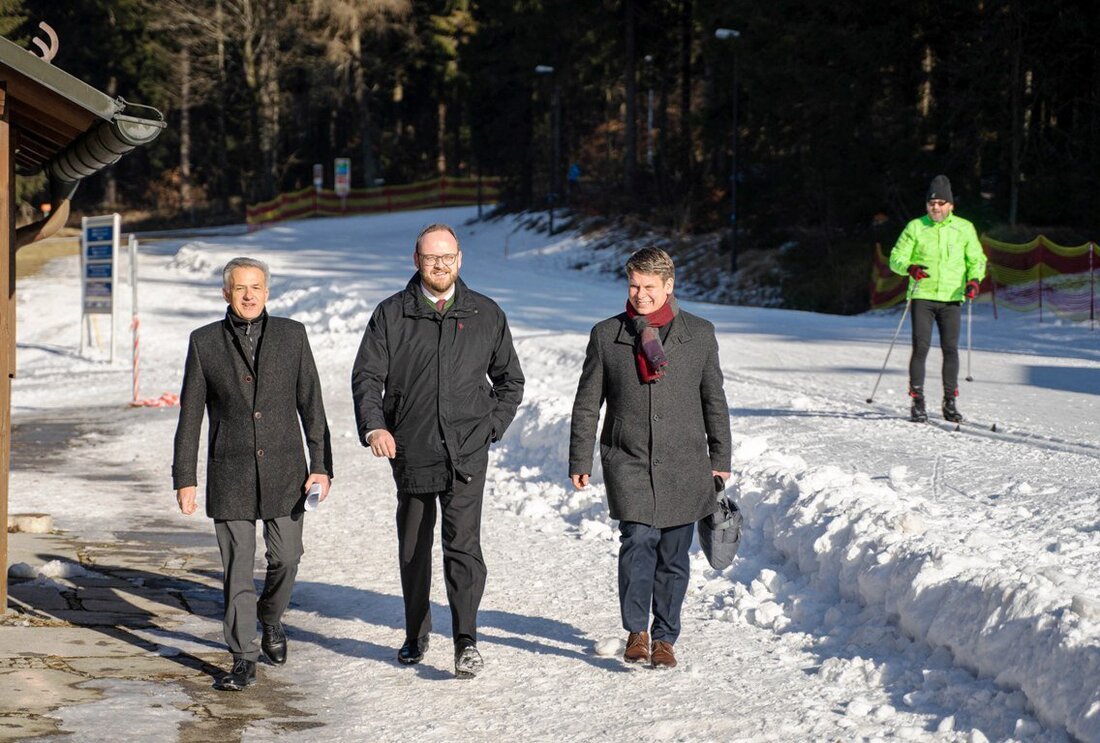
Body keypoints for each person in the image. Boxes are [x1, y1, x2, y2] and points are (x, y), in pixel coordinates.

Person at [351, 223, 524, 679]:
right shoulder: (391, 314)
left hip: (467, 451)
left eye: (447, 257)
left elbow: (511, 382)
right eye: (431, 258)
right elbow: (368, 378)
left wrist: (491, 427)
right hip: (411, 448)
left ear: (460, 259)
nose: (440, 265)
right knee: (414, 546)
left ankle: (466, 640)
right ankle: (415, 631)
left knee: (463, 546)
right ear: (417, 261)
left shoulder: (485, 313)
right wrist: (375, 427)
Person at [173, 257, 333, 691]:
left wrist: (321, 465)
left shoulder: (292, 335)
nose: (249, 295)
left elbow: (312, 406)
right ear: (226, 293)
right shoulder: (204, 343)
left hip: (286, 472)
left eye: (256, 287)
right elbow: (190, 418)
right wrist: (184, 476)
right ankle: (243, 656)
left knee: (287, 557)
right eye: (240, 288)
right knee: (237, 570)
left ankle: (271, 618)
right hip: (231, 474)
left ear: (267, 292)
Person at [568, 247, 731, 670]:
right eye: (633, 285)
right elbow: (587, 403)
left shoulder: (700, 334)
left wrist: (721, 456)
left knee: (674, 555)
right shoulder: (607, 335)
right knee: (638, 540)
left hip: (686, 462)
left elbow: (714, 399)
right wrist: (580, 457)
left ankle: (665, 638)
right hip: (629, 458)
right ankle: (636, 631)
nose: (639, 294)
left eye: (648, 287)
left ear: (669, 286)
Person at [889, 175, 987, 423]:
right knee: (921, 347)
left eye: (941, 203)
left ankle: (950, 401)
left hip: (952, 297)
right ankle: (918, 400)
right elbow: (895, 257)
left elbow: (976, 259)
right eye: (932, 203)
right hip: (923, 295)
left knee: (950, 349)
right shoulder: (915, 227)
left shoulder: (964, 228)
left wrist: (974, 280)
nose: (936, 207)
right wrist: (909, 268)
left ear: (951, 205)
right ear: (926, 205)